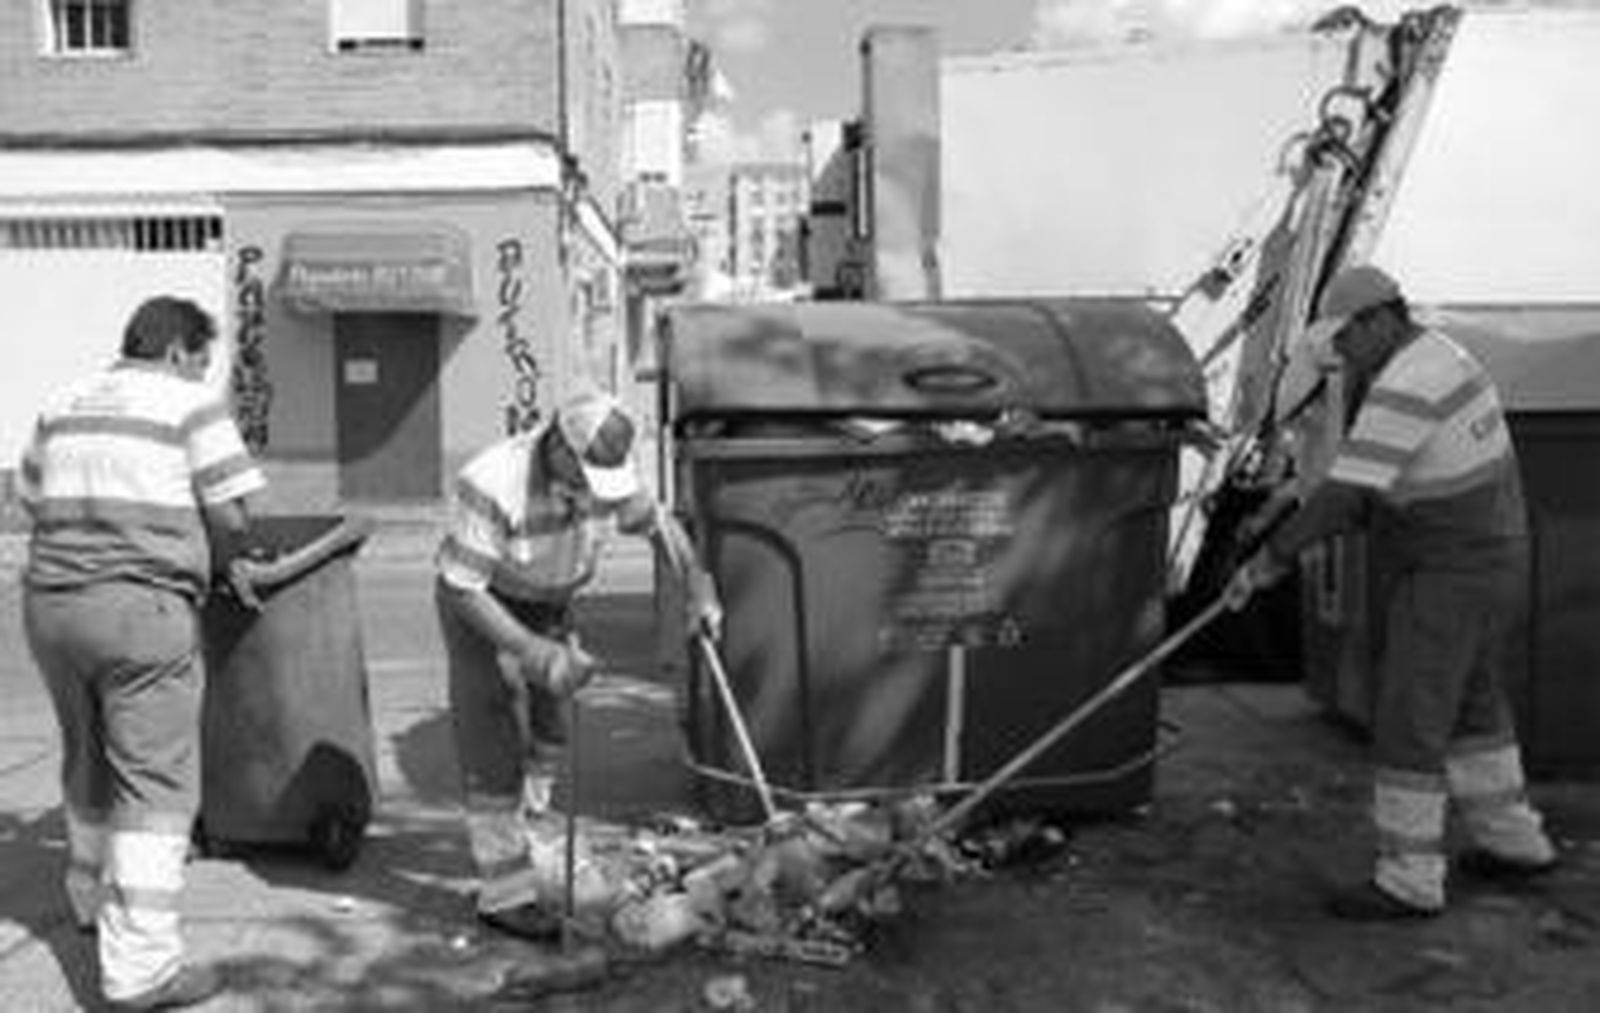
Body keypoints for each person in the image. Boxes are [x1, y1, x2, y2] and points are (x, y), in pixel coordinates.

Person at [1229, 265, 1557, 920]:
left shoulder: (1411, 381)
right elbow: (1350, 482)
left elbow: (1350, 496)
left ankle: (1409, 876)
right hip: (1483, 560)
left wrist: (1268, 562)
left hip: (1452, 569)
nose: (1339, 354)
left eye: (1344, 340)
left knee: (1410, 714)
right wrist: (1279, 515)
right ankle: (1514, 840)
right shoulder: (1435, 355)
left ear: (1378, 319)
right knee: (1472, 705)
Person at [18, 297, 266, 1009]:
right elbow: (235, 512)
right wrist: (224, 557)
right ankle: (141, 971)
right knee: (156, 787)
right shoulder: (188, 403)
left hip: (52, 607)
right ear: (181, 351)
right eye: (202, 360)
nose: (203, 372)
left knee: (85, 754)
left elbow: (31, 496)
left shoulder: (63, 400)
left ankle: (89, 901)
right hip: (142, 609)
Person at [435, 389, 723, 942]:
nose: (597, 492)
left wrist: (697, 587)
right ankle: (504, 894)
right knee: (492, 745)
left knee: (552, 728)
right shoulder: (492, 480)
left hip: (551, 601)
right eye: (587, 476)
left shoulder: (607, 470)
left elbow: (662, 529)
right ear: (559, 446)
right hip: (485, 607)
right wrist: (535, 653)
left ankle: (534, 827)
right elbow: (464, 590)